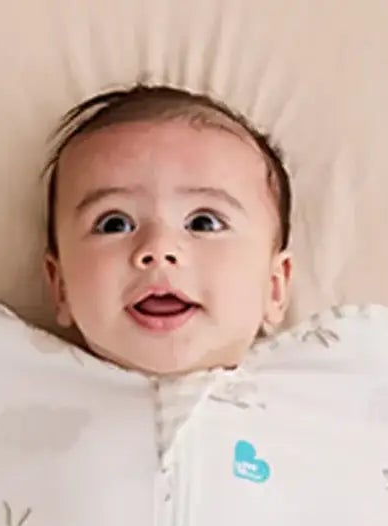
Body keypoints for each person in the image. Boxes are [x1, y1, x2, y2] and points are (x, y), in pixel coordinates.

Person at [40, 84, 294, 376]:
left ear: (275, 287)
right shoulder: (7, 380)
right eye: (114, 224)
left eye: (204, 223)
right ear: (60, 286)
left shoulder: (326, 389)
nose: (158, 248)